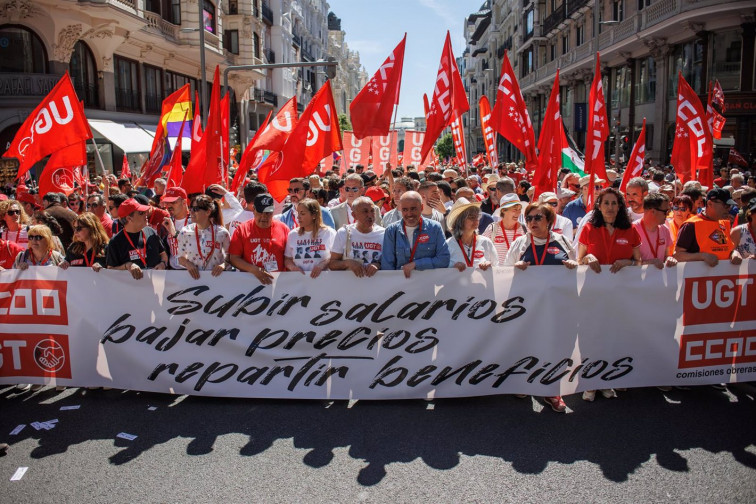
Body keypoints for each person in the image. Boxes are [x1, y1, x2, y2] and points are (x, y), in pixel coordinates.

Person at [503, 202, 577, 413]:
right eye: (528, 218)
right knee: (527, 345)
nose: (532, 222)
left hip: (556, 308)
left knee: (554, 348)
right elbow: (502, 273)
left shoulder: (562, 241)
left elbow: (577, 267)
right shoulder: (520, 243)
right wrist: (513, 269)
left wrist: (574, 266)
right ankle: (525, 383)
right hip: (527, 308)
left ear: (549, 222)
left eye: (537, 218)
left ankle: (552, 391)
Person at [381, 191, 450, 278]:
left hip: (427, 285)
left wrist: (416, 264)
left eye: (413, 209)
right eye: (405, 210)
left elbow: (444, 259)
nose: (409, 214)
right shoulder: (391, 231)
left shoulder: (434, 228)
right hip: (400, 287)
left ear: (421, 207)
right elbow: (387, 266)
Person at [578, 187, 642, 275]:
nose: (610, 207)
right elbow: (579, 260)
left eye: (614, 203)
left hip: (623, 284)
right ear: (599, 206)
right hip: (594, 283)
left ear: (619, 207)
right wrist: (587, 258)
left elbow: (638, 261)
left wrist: (629, 262)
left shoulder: (631, 229)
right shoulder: (588, 228)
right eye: (606, 203)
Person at [228, 193, 290, 285]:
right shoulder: (242, 229)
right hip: (249, 285)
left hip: (277, 285)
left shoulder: (284, 229)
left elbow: (289, 258)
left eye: (268, 213)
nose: (264, 216)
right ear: (253, 210)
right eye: (260, 212)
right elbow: (234, 258)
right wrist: (254, 270)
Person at [675, 188, 743, 266]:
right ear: (710, 203)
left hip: (723, 276)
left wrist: (734, 253)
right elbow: (678, 255)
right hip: (698, 276)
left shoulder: (725, 223)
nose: (729, 209)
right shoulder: (691, 225)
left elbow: (729, 249)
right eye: (726, 205)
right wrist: (702, 256)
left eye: (730, 206)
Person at [106, 198, 168, 280]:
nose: (146, 214)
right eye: (141, 213)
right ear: (129, 218)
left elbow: (163, 254)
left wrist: (163, 264)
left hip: (154, 287)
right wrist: (127, 266)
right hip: (131, 290)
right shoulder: (115, 242)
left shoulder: (151, 232)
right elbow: (110, 269)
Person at [176, 194, 230, 279]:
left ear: (208, 212)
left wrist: (223, 265)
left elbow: (230, 257)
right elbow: (179, 257)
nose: (191, 212)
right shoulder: (185, 232)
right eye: (191, 208)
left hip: (217, 279)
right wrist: (187, 263)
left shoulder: (222, 233)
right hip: (193, 280)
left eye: (196, 209)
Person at [330, 196, 385, 277]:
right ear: (354, 215)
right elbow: (332, 264)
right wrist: (348, 263)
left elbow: (392, 262)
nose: (370, 215)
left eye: (372, 211)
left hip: (377, 285)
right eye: (365, 211)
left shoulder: (384, 233)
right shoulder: (343, 233)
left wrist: (378, 265)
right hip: (350, 286)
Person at [284, 198, 336, 278]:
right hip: (300, 282)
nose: (298, 217)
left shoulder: (329, 233)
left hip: (324, 281)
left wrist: (322, 265)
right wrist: (293, 268)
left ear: (314, 215)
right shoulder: (293, 235)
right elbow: (287, 259)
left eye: (302, 213)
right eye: (298, 213)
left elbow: (336, 258)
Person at [446, 198, 497, 271]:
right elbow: (442, 273)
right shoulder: (449, 245)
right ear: (460, 220)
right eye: (472, 217)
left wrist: (490, 264)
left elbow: (497, 266)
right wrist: (452, 267)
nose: (476, 220)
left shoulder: (486, 242)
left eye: (477, 217)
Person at [633, 193, 677, 268]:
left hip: (658, 278)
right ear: (653, 211)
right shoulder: (633, 229)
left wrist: (670, 259)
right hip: (639, 278)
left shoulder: (665, 229)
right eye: (665, 211)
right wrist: (648, 263)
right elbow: (629, 262)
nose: (668, 214)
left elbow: (667, 255)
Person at [483, 193, 525, 265]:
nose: (518, 213)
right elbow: (481, 249)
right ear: (503, 211)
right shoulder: (492, 228)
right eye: (515, 210)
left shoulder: (525, 229)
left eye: (519, 209)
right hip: (497, 274)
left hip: (519, 274)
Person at [160, 186, 191, 270]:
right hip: (172, 273)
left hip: (193, 272)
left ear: (184, 202)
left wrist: (175, 233)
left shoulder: (195, 222)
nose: (169, 205)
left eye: (173, 202)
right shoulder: (165, 223)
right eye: (166, 202)